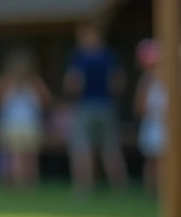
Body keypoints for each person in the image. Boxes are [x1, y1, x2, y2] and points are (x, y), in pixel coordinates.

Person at [64, 25, 128, 192]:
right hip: (106, 105)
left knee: (82, 149)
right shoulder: (109, 56)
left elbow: (73, 83)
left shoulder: (80, 58)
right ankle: (120, 189)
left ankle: (83, 189)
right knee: (111, 149)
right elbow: (118, 83)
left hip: (85, 106)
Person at [0, 49, 52, 189]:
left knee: (29, 156)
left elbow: (46, 98)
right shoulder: (7, 81)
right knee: (14, 156)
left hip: (29, 124)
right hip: (12, 124)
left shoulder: (34, 82)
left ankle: (27, 184)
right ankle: (17, 184)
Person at [134, 38, 167, 196]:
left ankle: (166, 191)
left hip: (168, 125)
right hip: (153, 124)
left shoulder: (171, 78)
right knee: (153, 161)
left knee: (166, 160)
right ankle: (152, 193)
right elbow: (139, 108)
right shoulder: (146, 81)